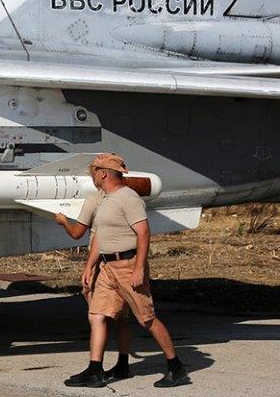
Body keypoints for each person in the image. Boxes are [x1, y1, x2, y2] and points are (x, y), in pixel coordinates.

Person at [79, 153, 189, 388]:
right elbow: (100, 236)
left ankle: (176, 368)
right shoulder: (106, 199)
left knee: (146, 319)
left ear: (103, 173)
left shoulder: (128, 198)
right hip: (108, 267)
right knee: (97, 315)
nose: (92, 176)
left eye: (94, 171)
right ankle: (94, 370)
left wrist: (139, 268)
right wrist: (89, 266)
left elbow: (143, 233)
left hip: (128, 265)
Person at [55, 180, 132, 387]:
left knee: (97, 316)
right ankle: (123, 364)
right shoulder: (128, 198)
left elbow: (78, 233)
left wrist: (63, 221)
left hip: (103, 265)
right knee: (122, 317)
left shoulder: (95, 200)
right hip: (126, 263)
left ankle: (95, 369)